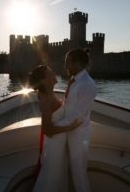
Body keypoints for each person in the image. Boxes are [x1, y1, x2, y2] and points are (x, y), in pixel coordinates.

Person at [28, 65, 82, 192]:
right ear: (43, 80)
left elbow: (60, 105)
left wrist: (69, 85)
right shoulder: (45, 99)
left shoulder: (50, 92)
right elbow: (47, 130)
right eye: (51, 74)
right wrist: (70, 127)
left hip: (59, 142)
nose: (54, 74)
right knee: (52, 176)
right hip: (54, 145)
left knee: (58, 174)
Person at [57, 48, 97, 192]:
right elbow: (70, 106)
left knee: (79, 174)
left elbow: (79, 116)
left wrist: (55, 126)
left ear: (78, 63)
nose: (65, 66)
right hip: (68, 131)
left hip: (79, 136)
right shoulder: (75, 81)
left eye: (68, 62)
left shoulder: (86, 85)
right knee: (72, 171)